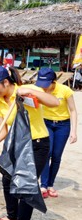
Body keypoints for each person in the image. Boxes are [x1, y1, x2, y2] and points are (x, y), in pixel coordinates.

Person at [0, 66, 59, 220]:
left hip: (37, 144)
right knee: (7, 180)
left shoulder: (25, 93)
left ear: (6, 82)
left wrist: (31, 91)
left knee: (26, 186)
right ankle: (12, 216)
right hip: (16, 146)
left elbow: (54, 102)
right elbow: (3, 130)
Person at [34, 68, 78, 198]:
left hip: (62, 125)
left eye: (47, 84)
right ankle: (43, 185)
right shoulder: (39, 90)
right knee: (46, 153)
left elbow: (73, 111)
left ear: (54, 81)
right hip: (45, 123)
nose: (44, 88)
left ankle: (50, 185)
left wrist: (74, 131)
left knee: (56, 155)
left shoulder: (65, 90)